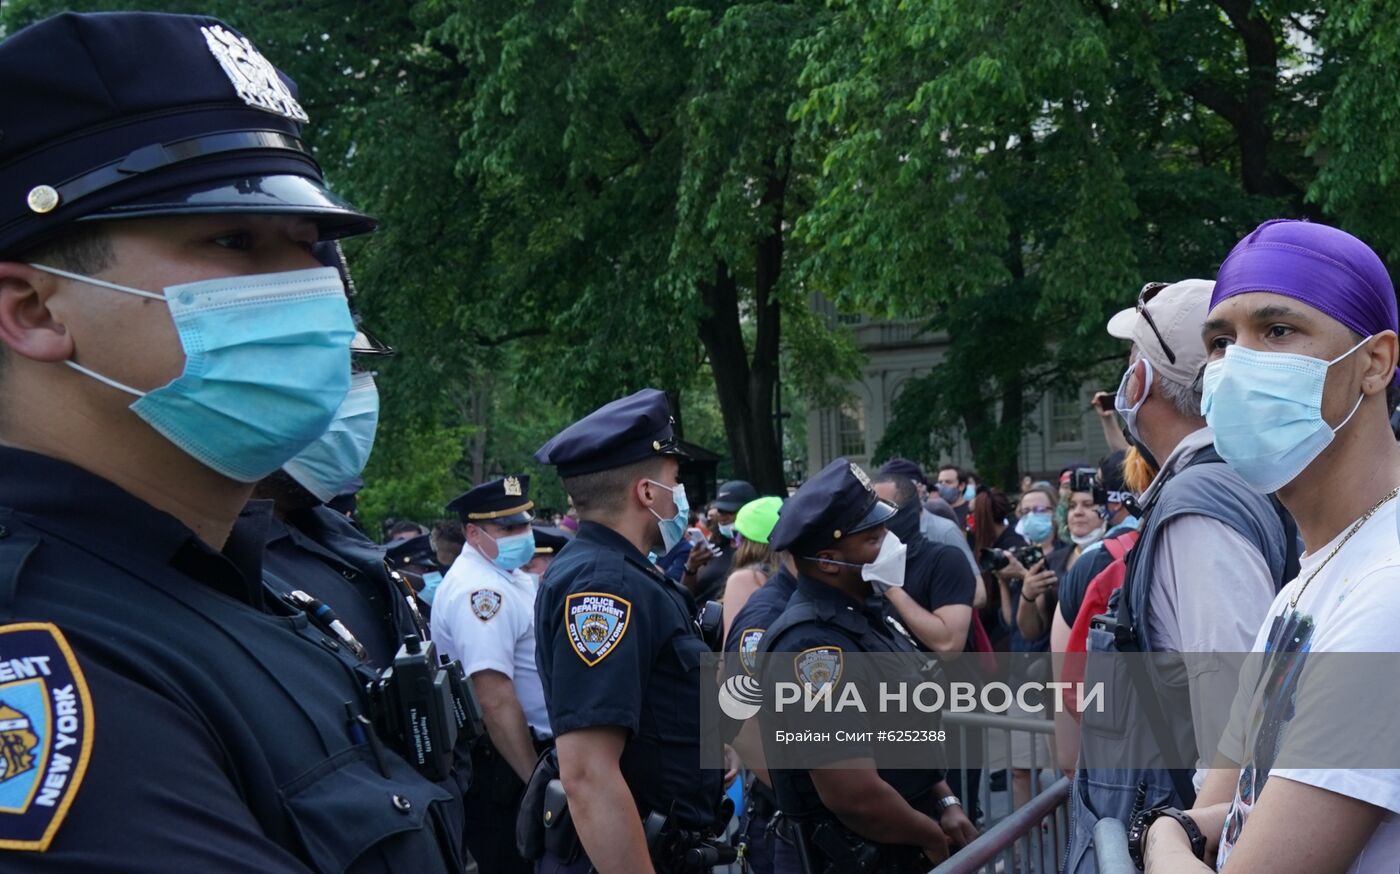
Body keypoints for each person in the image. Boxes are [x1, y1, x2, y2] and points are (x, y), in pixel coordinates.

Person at [0, 11, 469, 869]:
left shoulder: (243, 590)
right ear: (34, 309)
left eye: (309, 245)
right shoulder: (45, 653)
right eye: (235, 240)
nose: (314, 290)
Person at [1138, 221, 1400, 872]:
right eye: (1220, 342)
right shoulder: (1311, 582)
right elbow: (1234, 803)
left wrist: (1160, 837)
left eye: (1277, 331)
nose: (1235, 365)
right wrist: (1188, 829)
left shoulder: (1388, 590)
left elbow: (1211, 828)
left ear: (1375, 362)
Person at [1065, 278, 1296, 873]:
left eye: (1129, 361)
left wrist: (1189, 841)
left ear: (1139, 381)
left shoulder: (1199, 505)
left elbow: (1235, 714)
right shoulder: (1233, 481)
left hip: (1187, 837)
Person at [532, 389, 734, 874]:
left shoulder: (624, 572)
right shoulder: (606, 586)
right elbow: (589, 775)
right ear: (646, 492)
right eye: (674, 480)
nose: (679, 493)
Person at [757, 458, 978, 873]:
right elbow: (852, 794)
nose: (890, 544)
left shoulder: (864, 615)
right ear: (827, 560)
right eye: (873, 538)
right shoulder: (812, 647)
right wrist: (930, 836)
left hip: (905, 837)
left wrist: (943, 799)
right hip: (859, 856)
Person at [433, 476, 550, 874]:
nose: (523, 535)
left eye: (524, 524)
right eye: (508, 528)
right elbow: (493, 698)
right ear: (473, 532)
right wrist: (537, 781)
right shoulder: (481, 592)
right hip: (508, 764)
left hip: (519, 758)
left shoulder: (507, 575)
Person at [880, 458, 982, 587]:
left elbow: (977, 592)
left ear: (917, 489)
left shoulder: (945, 530)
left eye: (893, 494)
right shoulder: (879, 534)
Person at [719, 495, 783, 638]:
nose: (733, 542)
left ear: (748, 540)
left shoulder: (745, 579)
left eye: (736, 534)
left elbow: (731, 650)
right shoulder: (793, 575)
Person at [683, 479, 756, 602]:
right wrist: (691, 569)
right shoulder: (713, 548)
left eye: (730, 511)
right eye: (720, 511)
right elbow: (686, 597)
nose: (723, 517)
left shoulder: (759, 552)